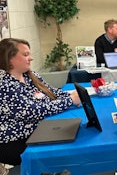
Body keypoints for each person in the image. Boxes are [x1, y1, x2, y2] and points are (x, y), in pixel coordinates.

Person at [0, 38, 81, 167]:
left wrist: (76, 95)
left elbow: (52, 92)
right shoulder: (5, 85)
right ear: (10, 59)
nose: (31, 58)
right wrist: (70, 100)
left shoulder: (29, 75)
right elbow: (33, 111)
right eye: (26, 55)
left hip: (38, 128)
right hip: (14, 140)